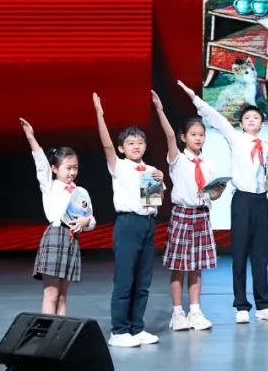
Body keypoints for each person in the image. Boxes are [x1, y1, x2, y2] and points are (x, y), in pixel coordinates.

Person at [177, 80, 268, 324]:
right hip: (242, 201)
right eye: (247, 118)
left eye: (255, 117)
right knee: (240, 253)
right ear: (241, 123)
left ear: (262, 123)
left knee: (261, 255)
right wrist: (195, 98)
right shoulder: (236, 139)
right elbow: (215, 118)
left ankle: (263, 305)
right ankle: (241, 306)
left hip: (262, 201)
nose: (251, 120)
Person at [94, 93, 163, 347]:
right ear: (122, 148)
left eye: (140, 142)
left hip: (147, 224)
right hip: (127, 224)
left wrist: (159, 182)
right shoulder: (119, 166)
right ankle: (119, 330)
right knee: (125, 279)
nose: (136, 146)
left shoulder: (150, 170)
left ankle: (137, 327)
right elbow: (106, 146)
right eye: (131, 143)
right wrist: (100, 116)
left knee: (143, 280)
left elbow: (153, 203)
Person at [152, 90, 224, 331]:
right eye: (194, 134)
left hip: (202, 214)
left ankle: (195, 311)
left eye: (202, 135)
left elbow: (211, 195)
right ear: (184, 137)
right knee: (179, 266)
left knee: (197, 266)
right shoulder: (178, 159)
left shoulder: (207, 163)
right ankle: (177, 313)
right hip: (182, 215)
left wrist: (217, 192)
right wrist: (160, 110)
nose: (198, 138)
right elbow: (169, 135)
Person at [22, 118, 94, 315]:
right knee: (51, 294)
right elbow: (41, 164)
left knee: (63, 296)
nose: (72, 172)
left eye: (75, 168)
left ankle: (60, 331)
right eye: (68, 168)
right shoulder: (50, 185)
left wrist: (86, 221)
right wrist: (31, 138)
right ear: (55, 169)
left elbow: (91, 219)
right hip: (54, 237)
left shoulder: (81, 192)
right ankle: (48, 330)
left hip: (72, 240)